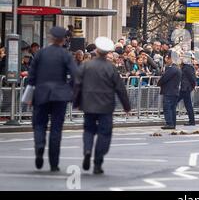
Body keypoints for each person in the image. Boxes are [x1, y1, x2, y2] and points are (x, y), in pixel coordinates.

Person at [73, 37, 131, 175]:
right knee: (104, 133)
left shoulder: (86, 65)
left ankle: (87, 150)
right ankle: (98, 161)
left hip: (88, 104)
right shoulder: (110, 68)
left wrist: (76, 102)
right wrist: (126, 106)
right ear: (107, 52)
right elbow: (120, 88)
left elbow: (77, 84)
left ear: (97, 50)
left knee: (88, 130)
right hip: (106, 106)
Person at [27, 26, 78, 171]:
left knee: (38, 124)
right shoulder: (66, 55)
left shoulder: (40, 54)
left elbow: (31, 77)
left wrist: (30, 96)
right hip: (60, 95)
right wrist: (68, 89)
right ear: (63, 40)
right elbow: (76, 76)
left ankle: (39, 147)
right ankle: (54, 163)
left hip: (41, 94)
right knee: (56, 128)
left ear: (50, 38)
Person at [157, 51, 182, 130]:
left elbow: (164, 78)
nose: (166, 60)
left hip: (169, 92)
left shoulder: (172, 69)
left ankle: (169, 123)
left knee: (167, 108)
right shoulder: (176, 68)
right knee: (172, 109)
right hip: (174, 92)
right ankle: (172, 123)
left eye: (167, 58)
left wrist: (159, 82)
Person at [178, 53, 197, 126]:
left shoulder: (188, 67)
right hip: (185, 88)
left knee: (174, 102)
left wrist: (194, 85)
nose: (181, 59)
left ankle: (170, 119)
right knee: (188, 105)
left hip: (185, 88)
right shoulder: (186, 66)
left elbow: (192, 78)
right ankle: (192, 121)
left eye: (183, 57)